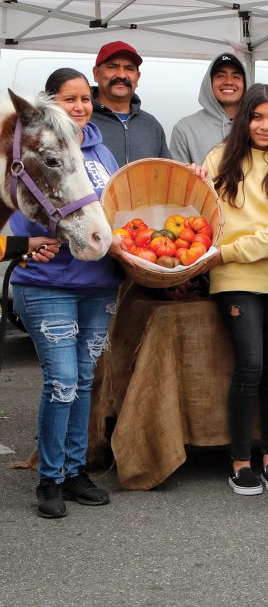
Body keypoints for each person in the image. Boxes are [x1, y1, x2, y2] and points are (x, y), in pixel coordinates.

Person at [15, 68, 125, 518]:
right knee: (61, 382)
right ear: (49, 103)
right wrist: (23, 245)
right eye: (69, 98)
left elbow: (116, 205)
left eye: (85, 98)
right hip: (48, 284)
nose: (80, 107)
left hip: (99, 284)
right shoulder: (35, 148)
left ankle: (75, 472)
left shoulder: (101, 150)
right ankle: (50, 478)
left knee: (82, 381)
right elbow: (19, 204)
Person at [192, 83, 268, 496]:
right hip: (234, 279)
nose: (264, 125)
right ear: (244, 118)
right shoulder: (218, 158)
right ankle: (241, 461)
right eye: (257, 116)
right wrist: (194, 181)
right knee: (251, 365)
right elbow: (201, 214)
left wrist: (227, 252)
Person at [90, 40, 171, 166]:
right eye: (113, 67)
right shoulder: (81, 120)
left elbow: (168, 172)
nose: (122, 75)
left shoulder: (151, 125)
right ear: (96, 74)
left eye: (129, 68)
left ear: (137, 77)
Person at [169, 53, 247, 165]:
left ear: (245, 84)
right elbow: (177, 175)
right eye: (220, 76)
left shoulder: (256, 126)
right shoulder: (185, 129)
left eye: (236, 77)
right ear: (209, 83)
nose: (229, 82)